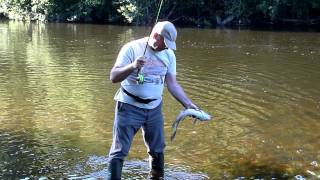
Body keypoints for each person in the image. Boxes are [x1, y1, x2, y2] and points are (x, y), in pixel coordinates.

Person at [108, 21, 198, 180]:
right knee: (119, 151)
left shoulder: (169, 54)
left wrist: (188, 104)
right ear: (156, 36)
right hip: (129, 106)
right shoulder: (132, 48)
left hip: (154, 108)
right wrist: (132, 66)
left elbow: (172, 84)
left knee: (157, 150)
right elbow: (113, 77)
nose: (168, 47)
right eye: (166, 43)